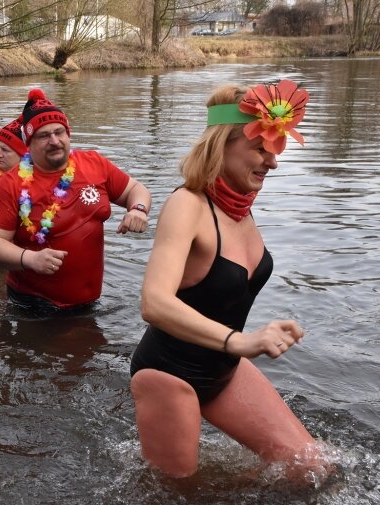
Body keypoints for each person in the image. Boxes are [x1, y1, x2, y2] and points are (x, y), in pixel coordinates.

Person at [129, 80, 325, 479]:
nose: (272, 162)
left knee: (311, 468)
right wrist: (242, 340)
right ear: (222, 145)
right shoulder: (188, 205)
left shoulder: (241, 207)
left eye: (274, 150)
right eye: (259, 149)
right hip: (168, 375)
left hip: (224, 370)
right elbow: (154, 302)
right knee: (181, 493)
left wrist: (241, 345)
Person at [0, 89, 151, 311]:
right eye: (43, 135)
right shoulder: (10, 184)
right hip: (36, 306)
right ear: (28, 144)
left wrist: (138, 209)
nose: (54, 141)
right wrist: (29, 259)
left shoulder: (95, 164)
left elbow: (135, 188)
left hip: (90, 303)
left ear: (69, 134)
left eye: (59, 132)